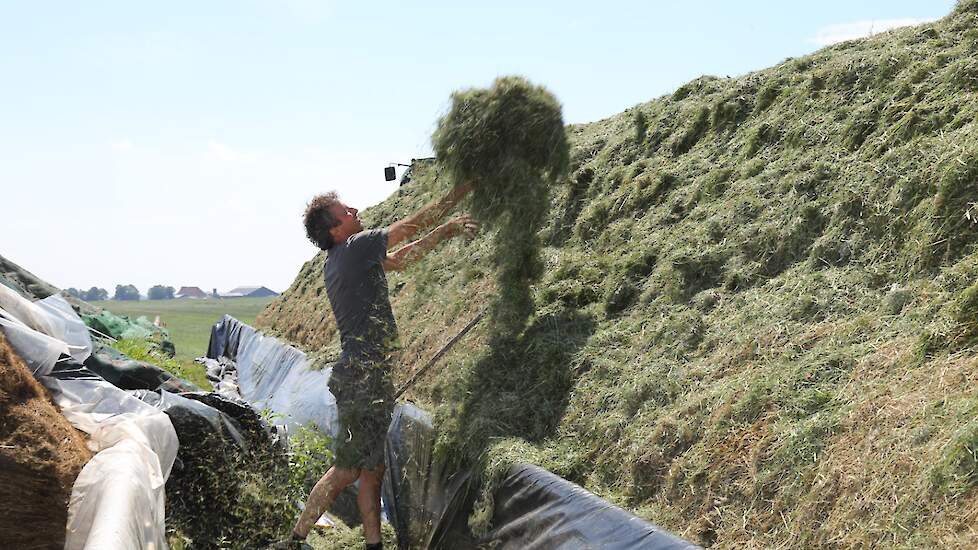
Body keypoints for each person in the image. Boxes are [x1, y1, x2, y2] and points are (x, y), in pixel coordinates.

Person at [276, 182, 476, 550]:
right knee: (349, 468)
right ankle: (294, 539)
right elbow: (406, 228)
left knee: (373, 471)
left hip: (369, 376)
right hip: (362, 379)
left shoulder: (347, 257)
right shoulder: (352, 248)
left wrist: (445, 232)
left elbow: (401, 258)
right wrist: (455, 194)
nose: (354, 210)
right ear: (335, 230)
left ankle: (373, 545)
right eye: (345, 212)